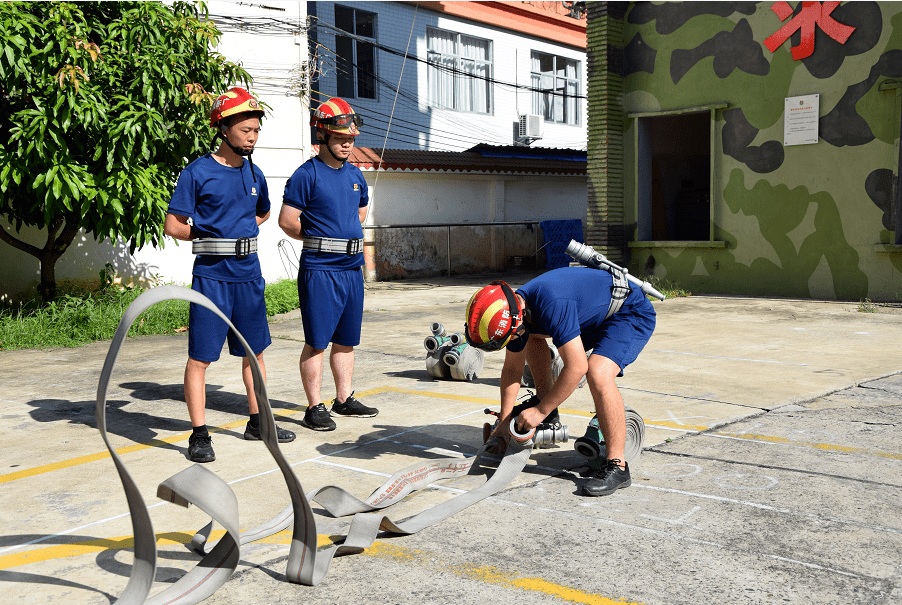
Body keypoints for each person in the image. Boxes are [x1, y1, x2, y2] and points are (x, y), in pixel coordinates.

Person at [164, 87, 296, 463]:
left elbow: (263, 213)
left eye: (256, 130)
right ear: (223, 129)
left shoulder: (254, 172)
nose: (253, 136)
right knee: (200, 359)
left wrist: (239, 236)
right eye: (246, 130)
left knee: (255, 354)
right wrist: (215, 238)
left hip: (249, 275)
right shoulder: (197, 172)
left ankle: (258, 422)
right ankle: (199, 434)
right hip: (211, 278)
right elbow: (174, 225)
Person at [464, 265, 656, 497]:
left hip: (628, 312)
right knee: (531, 336)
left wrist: (539, 412)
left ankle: (618, 466)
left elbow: (576, 368)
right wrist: (504, 423)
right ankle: (546, 403)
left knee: (597, 373)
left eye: (509, 337)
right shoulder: (516, 309)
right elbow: (512, 369)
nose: (511, 341)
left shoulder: (551, 304)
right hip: (595, 312)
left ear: (516, 319)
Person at [278, 97, 378, 431]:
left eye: (351, 140)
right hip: (321, 270)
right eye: (340, 140)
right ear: (323, 136)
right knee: (317, 341)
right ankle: (313, 406)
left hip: (352, 269)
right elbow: (288, 221)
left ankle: (344, 399)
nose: (348, 145)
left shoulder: (355, 175)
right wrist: (323, 239)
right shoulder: (306, 174)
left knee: (347, 339)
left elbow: (360, 212)